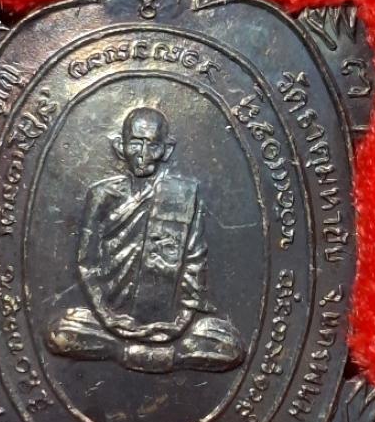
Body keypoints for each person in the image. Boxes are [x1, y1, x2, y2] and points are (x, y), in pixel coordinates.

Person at [46, 107, 244, 373]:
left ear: (166, 150)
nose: (142, 153)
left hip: (170, 322)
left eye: (152, 145)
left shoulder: (182, 195)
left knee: (229, 346)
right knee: (60, 333)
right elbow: (87, 263)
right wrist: (107, 317)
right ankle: (166, 356)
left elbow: (194, 261)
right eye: (135, 143)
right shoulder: (102, 195)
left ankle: (126, 351)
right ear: (120, 147)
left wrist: (181, 322)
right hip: (109, 318)